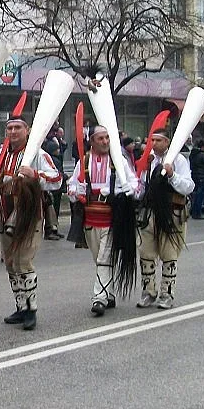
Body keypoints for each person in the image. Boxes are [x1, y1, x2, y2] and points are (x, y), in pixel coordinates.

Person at [0, 116, 61, 330]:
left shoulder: (38, 154)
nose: (13, 131)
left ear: (27, 130)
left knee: (24, 262)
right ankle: (20, 307)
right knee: (10, 264)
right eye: (9, 128)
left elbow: (57, 179)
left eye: (18, 127)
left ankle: (31, 310)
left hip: (28, 217)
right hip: (4, 216)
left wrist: (35, 175)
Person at [67, 126, 141, 316]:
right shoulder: (83, 161)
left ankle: (98, 298)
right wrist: (76, 192)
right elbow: (73, 184)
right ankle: (109, 293)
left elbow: (135, 184)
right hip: (90, 218)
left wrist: (125, 189)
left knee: (103, 258)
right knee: (98, 259)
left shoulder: (119, 161)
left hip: (111, 216)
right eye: (100, 138)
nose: (105, 142)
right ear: (92, 141)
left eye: (107, 138)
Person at [136, 128, 195, 309]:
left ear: (168, 142)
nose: (154, 144)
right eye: (152, 140)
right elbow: (141, 186)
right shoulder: (149, 160)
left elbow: (189, 186)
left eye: (158, 140)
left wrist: (172, 175)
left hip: (172, 212)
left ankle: (167, 293)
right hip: (150, 212)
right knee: (146, 253)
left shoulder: (179, 160)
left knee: (169, 255)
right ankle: (148, 292)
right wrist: (143, 171)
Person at [41, 126, 67, 239]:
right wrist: (65, 177)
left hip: (55, 189)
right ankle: (50, 230)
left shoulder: (54, 158)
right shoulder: (52, 160)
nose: (58, 150)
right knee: (51, 211)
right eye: (56, 149)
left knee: (53, 210)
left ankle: (53, 229)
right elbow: (57, 173)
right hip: (54, 189)